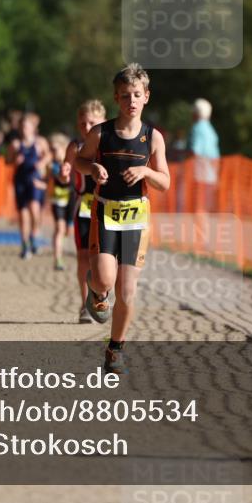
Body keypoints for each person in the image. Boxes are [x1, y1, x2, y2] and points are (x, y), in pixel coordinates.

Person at [74, 64, 170, 374]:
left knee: (127, 291)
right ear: (117, 97)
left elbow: (165, 181)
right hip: (105, 211)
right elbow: (79, 160)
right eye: (126, 95)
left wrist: (146, 171)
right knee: (104, 279)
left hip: (136, 218)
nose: (132, 100)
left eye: (137, 95)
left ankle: (115, 350)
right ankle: (97, 291)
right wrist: (92, 169)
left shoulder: (153, 138)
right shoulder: (100, 133)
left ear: (147, 98)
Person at [65, 99, 106, 324]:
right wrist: (63, 173)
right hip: (82, 206)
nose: (87, 127)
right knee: (83, 258)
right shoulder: (75, 147)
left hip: (106, 207)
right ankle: (84, 305)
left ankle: (100, 295)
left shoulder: (109, 145)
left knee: (102, 258)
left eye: (92, 122)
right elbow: (66, 170)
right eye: (83, 123)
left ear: (103, 122)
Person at [11, 112, 51, 258]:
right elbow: (8, 160)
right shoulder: (16, 144)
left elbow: (49, 155)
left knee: (35, 209)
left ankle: (34, 235)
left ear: (33, 128)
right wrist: (15, 159)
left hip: (34, 179)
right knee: (23, 213)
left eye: (27, 126)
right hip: (20, 180)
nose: (24, 129)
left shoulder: (40, 142)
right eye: (22, 127)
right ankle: (24, 244)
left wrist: (42, 162)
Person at [47, 133, 76, 272]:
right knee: (59, 228)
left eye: (55, 149)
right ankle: (57, 259)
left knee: (67, 231)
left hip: (72, 198)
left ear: (65, 148)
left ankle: (61, 249)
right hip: (57, 200)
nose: (52, 152)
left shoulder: (72, 162)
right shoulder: (52, 165)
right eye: (50, 150)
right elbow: (48, 179)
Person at [187, 98, 220, 212]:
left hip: (199, 175)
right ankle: (203, 229)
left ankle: (199, 230)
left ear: (196, 113)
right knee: (205, 209)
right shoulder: (212, 130)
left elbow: (195, 151)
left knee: (197, 208)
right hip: (211, 176)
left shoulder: (197, 128)